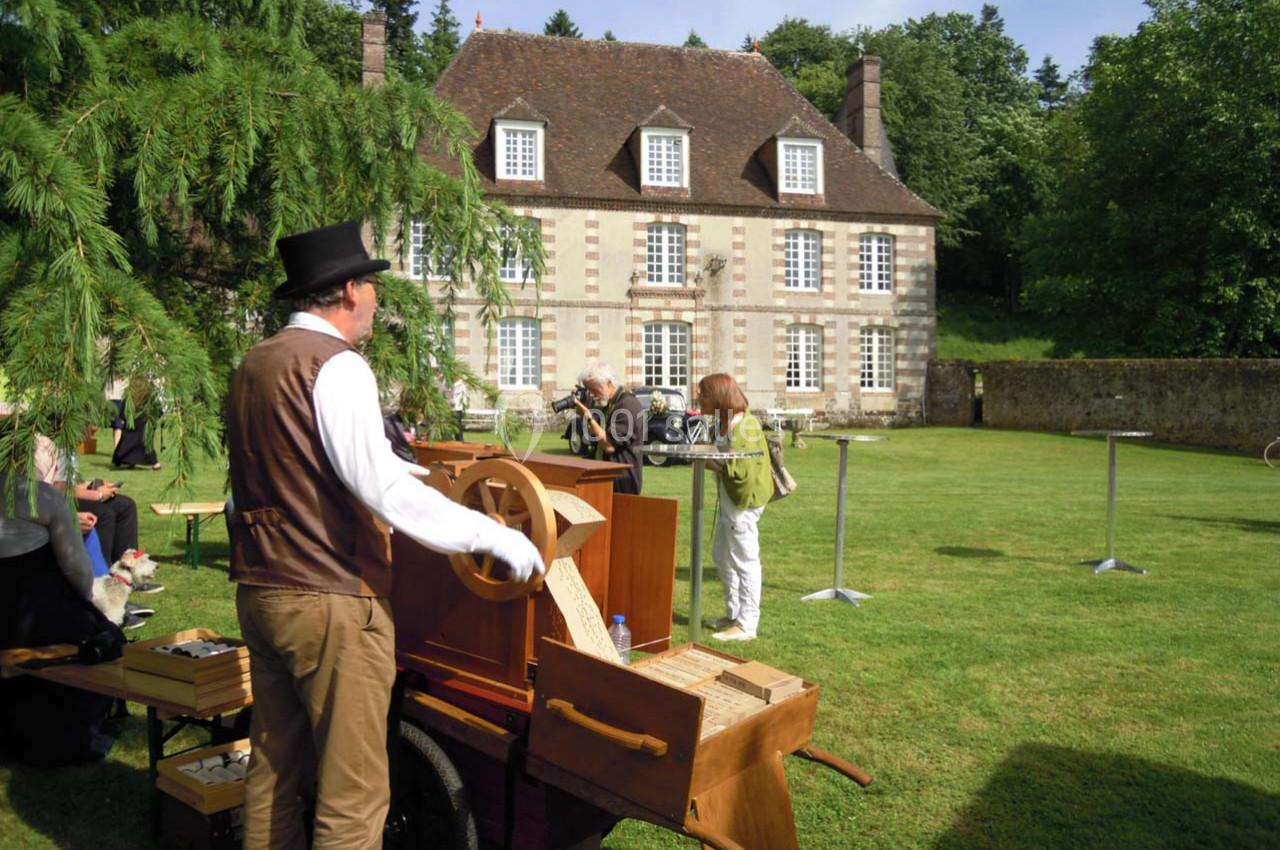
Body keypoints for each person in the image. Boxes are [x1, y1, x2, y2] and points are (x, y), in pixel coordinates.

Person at [226, 220, 544, 850]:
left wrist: (393, 463)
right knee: (355, 793)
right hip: (330, 598)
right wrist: (494, 535)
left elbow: (286, 465)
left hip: (261, 591)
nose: (375, 299)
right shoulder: (337, 365)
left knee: (274, 772)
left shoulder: (256, 362)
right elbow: (383, 492)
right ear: (347, 290)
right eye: (370, 286)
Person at [698, 373, 771, 642]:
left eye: (703, 394)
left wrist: (709, 463)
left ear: (718, 397)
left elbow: (740, 473)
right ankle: (733, 613)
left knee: (745, 560)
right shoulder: (725, 423)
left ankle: (747, 624)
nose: (699, 399)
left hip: (743, 502)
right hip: (731, 499)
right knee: (720, 555)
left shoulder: (744, 427)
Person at [33, 433, 141, 565]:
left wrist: (92, 484)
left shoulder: (69, 449)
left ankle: (130, 567)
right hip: (54, 502)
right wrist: (98, 495)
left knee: (126, 505)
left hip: (61, 497)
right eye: (90, 426)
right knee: (105, 513)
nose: (94, 431)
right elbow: (58, 490)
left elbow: (70, 483)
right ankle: (102, 572)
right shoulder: (54, 448)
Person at [572, 361, 644, 494]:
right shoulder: (608, 405)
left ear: (609, 383)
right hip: (606, 481)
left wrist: (588, 416)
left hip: (623, 485)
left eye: (594, 389)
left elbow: (609, 445)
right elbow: (594, 437)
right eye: (589, 390)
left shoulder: (628, 405)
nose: (592, 395)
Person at [111, 377, 161, 469]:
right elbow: (156, 412)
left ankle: (125, 460)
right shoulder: (148, 400)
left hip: (131, 427)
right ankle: (154, 463)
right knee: (145, 443)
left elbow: (122, 414)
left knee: (127, 441)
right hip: (144, 427)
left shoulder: (128, 400)